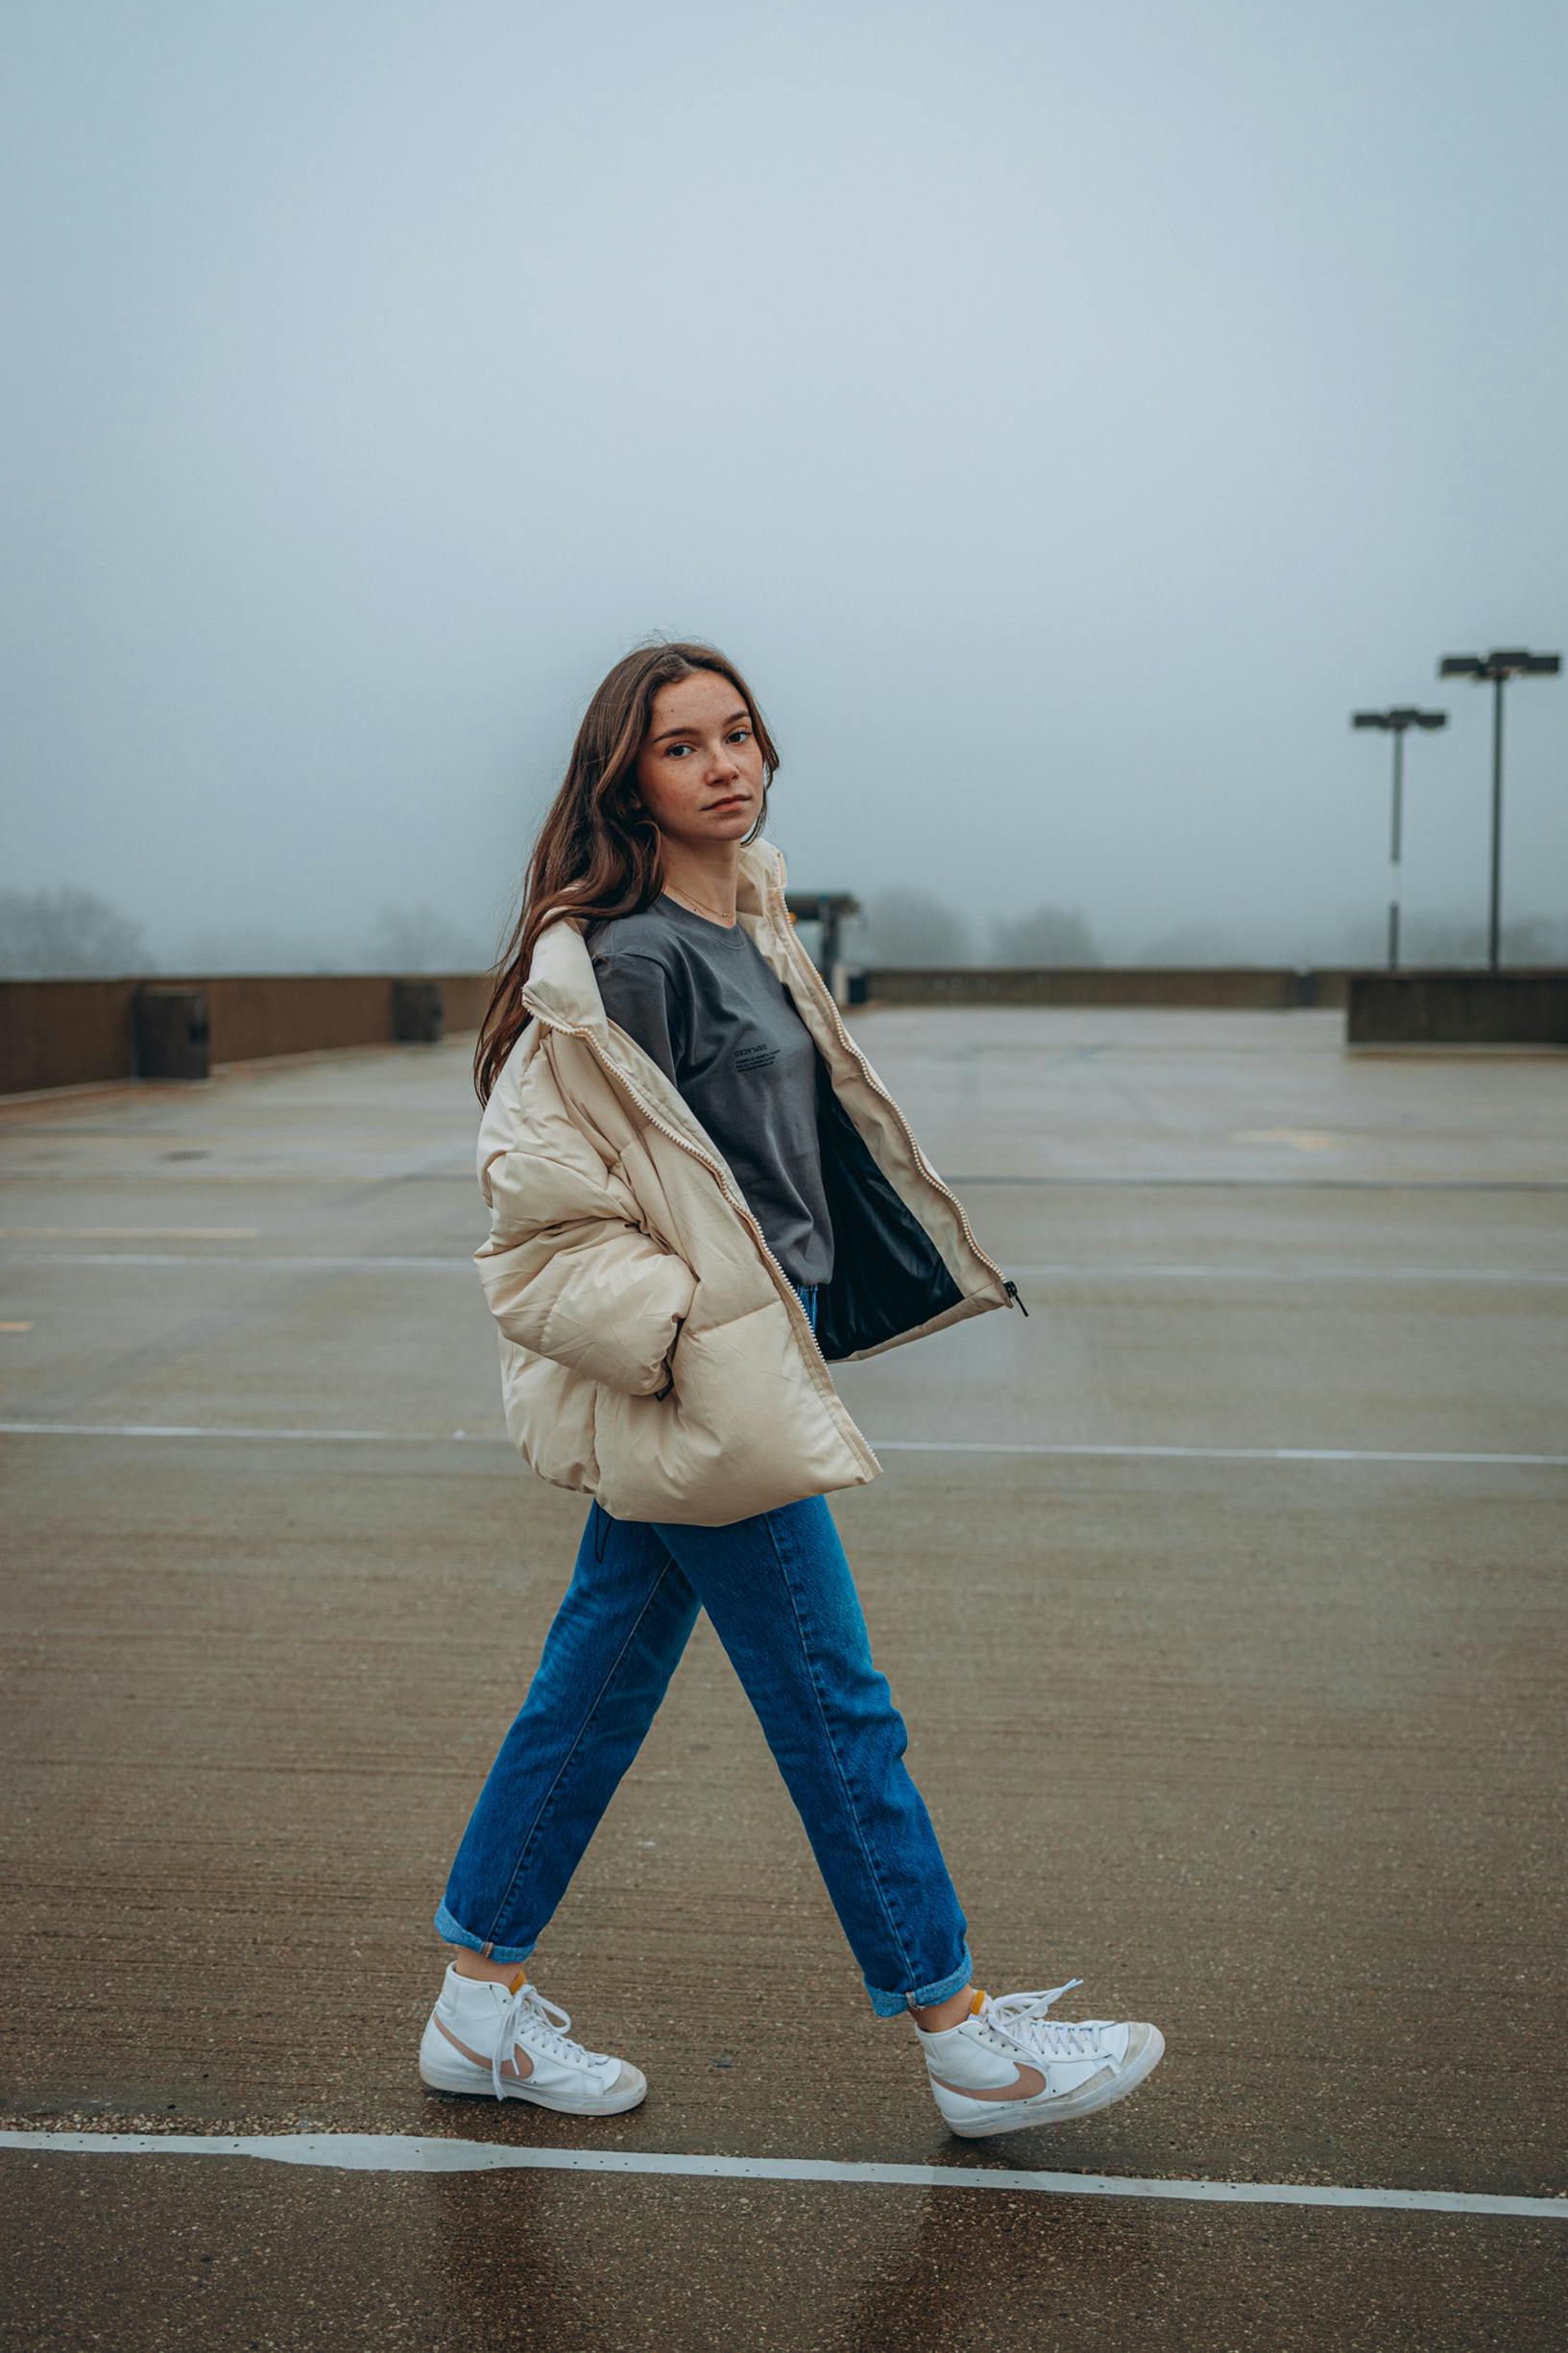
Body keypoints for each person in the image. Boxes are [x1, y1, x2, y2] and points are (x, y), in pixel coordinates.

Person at [419, 638, 1165, 2139]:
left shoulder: (747, 920)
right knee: (834, 1701)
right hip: (716, 1364)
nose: (726, 764)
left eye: (740, 733)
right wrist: (693, 1334)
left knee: (595, 1677)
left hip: (765, 1333)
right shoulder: (624, 960)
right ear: (625, 777)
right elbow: (549, 1209)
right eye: (684, 745)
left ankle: (476, 2007)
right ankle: (967, 2044)